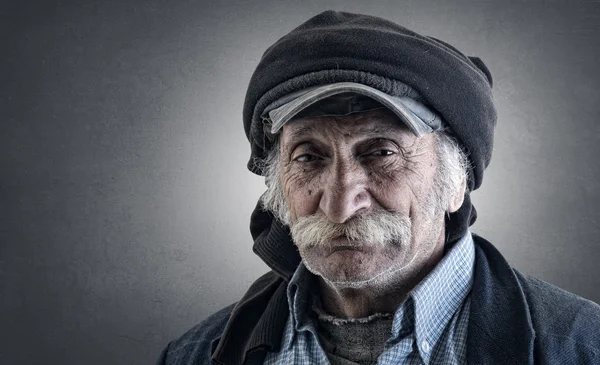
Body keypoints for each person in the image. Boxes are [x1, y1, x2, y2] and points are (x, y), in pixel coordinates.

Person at [156, 10, 600, 365]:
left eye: (382, 153)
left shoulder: (583, 347)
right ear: (276, 189)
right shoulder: (195, 355)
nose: (340, 205)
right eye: (309, 157)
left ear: (457, 181)